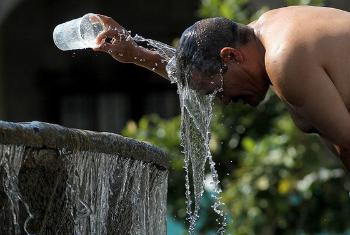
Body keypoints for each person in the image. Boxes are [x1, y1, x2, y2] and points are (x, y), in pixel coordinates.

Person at [93, 5, 350, 171]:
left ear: (232, 57)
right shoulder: (269, 28)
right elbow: (198, 72)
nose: (223, 100)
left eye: (217, 90)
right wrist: (135, 53)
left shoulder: (283, 60)